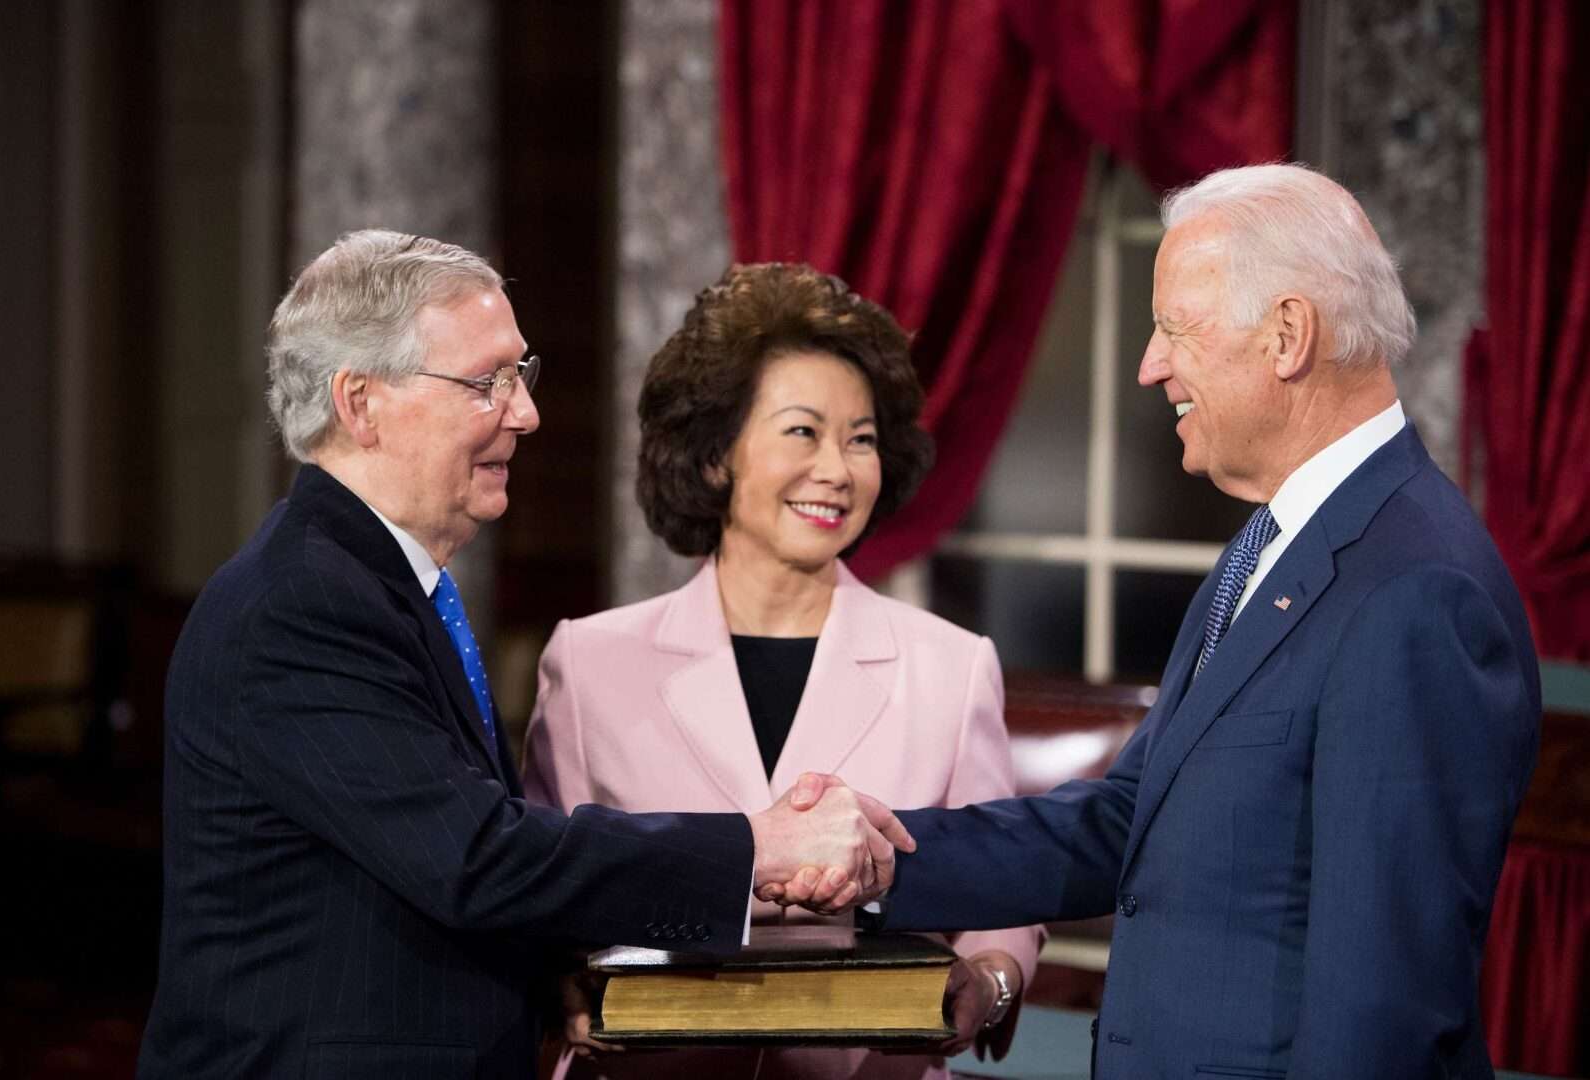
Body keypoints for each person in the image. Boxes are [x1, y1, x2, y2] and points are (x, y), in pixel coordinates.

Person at [774, 164, 1541, 1079]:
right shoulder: (1276, 543)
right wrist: (886, 861)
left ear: (1287, 335)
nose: (1149, 362)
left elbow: (1379, 1007)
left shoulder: (1415, 589)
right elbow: (1128, 822)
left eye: (1174, 326)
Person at [137, 230, 914, 1080]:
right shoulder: (302, 604)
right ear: (360, 403)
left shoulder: (373, 582)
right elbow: (474, 858)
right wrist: (756, 849)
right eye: (485, 382)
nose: (526, 412)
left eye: (520, 374)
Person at [522, 263, 1040, 1079]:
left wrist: (991, 982)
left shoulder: (952, 666)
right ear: (713, 458)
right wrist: (557, 980)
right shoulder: (588, 662)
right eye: (802, 431)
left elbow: (1000, 905)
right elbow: (539, 891)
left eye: (860, 439)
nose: (836, 469)